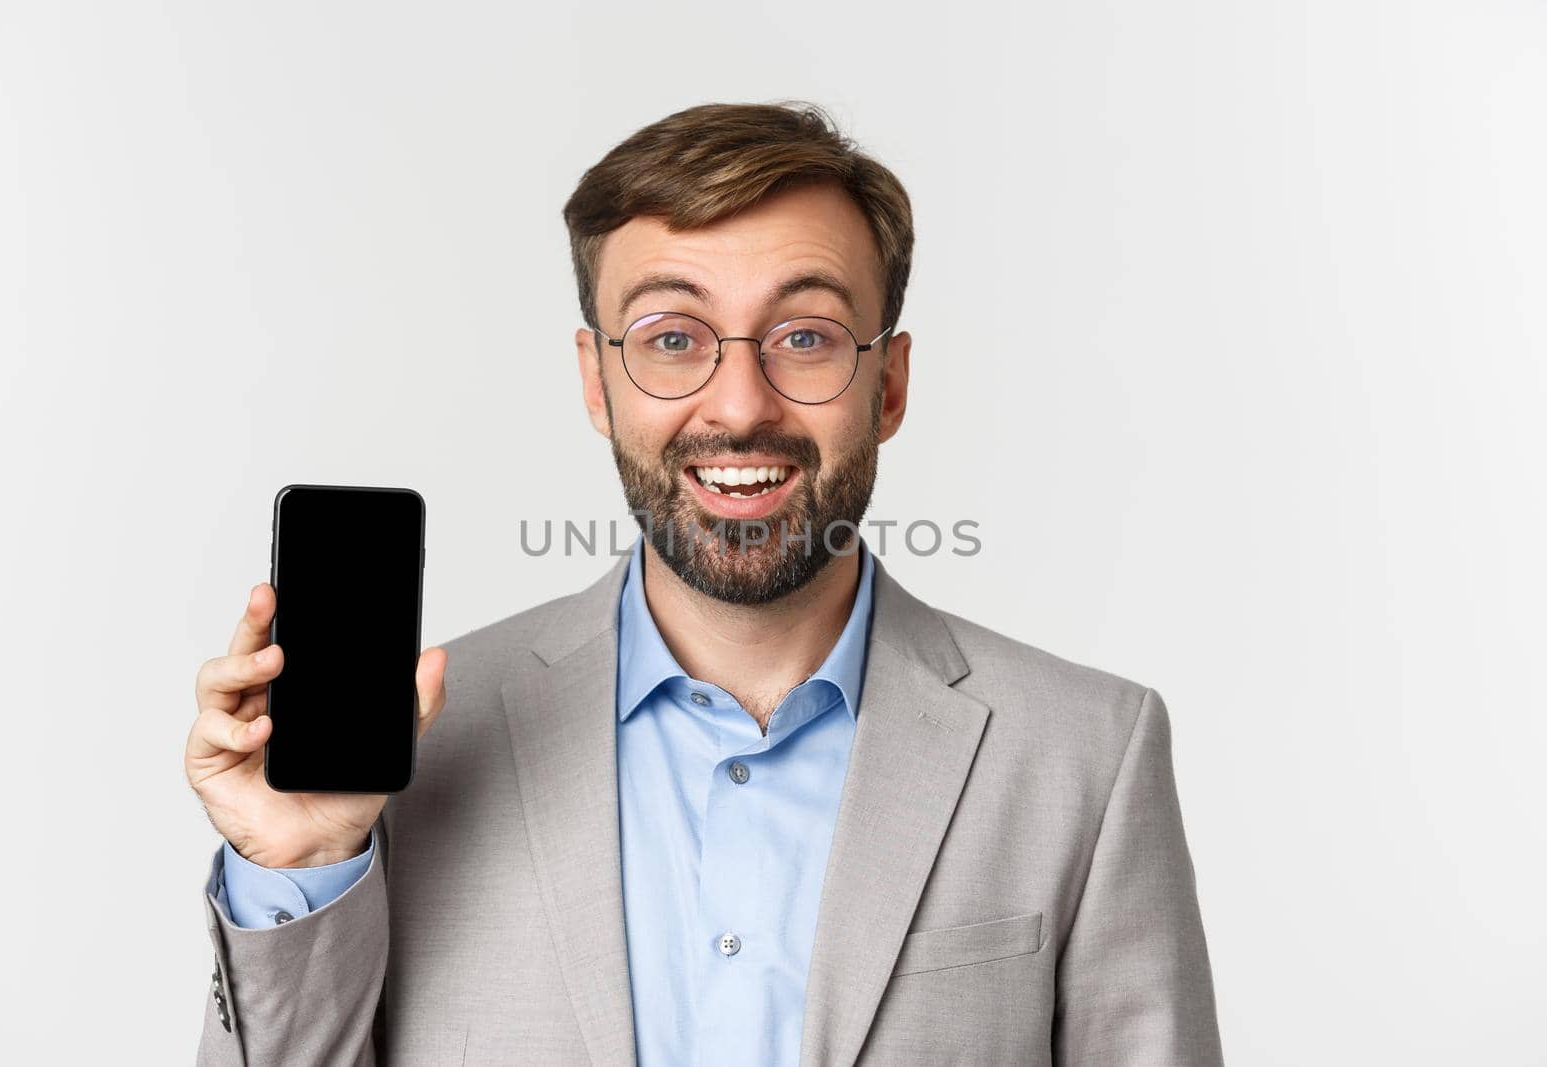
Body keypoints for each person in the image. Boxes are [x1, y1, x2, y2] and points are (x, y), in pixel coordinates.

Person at [187, 100, 1223, 1066]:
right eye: (671, 339)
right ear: (597, 381)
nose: (738, 403)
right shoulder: (404, 753)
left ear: (890, 383)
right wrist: (303, 868)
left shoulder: (1085, 753)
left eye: (806, 337)